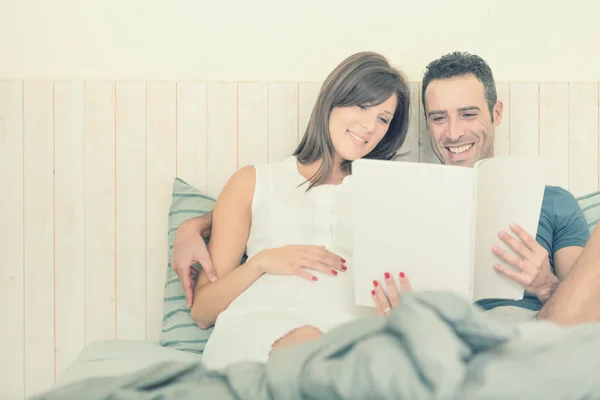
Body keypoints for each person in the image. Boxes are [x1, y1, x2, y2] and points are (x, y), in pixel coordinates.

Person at [182, 51, 411, 369]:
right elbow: (203, 312)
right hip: (262, 332)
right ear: (333, 98)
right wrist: (261, 263)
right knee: (308, 348)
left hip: (352, 338)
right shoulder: (255, 181)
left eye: (383, 118)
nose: (370, 126)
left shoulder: (389, 193)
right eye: (362, 106)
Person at [372, 51, 591, 323]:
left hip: (522, 334)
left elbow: (586, 318)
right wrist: (395, 313)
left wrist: (546, 285)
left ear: (495, 113)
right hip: (437, 337)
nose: (453, 133)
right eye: (439, 118)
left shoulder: (555, 202)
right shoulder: (405, 202)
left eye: (467, 114)